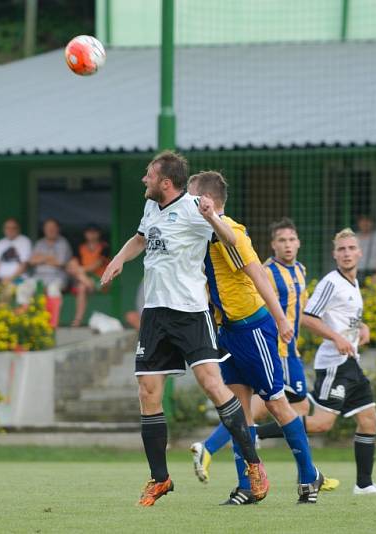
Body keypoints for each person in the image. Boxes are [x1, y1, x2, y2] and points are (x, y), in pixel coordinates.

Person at [100, 151, 268, 507]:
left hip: (190, 312)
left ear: (165, 182)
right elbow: (141, 239)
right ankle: (159, 479)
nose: (144, 179)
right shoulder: (151, 207)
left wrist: (212, 217)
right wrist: (117, 258)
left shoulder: (195, 206)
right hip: (155, 314)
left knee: (212, 384)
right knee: (147, 391)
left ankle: (254, 464)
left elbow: (232, 241)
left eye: (149, 175)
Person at [185, 172, 324, 505]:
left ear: (207, 201)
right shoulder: (203, 234)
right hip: (228, 332)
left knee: (277, 404)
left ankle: (308, 477)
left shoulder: (231, 231)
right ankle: (248, 486)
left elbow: (258, 275)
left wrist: (280, 320)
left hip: (254, 329)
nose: (186, 205)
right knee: (237, 412)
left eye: (191, 198)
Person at [301, 228, 376, 496]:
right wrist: (336, 339)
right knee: (321, 424)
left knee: (369, 419)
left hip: (350, 362)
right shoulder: (331, 282)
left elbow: (342, 317)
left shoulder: (353, 282)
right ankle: (256, 434)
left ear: (359, 253)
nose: (346, 253)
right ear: (334, 255)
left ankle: (364, 484)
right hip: (334, 363)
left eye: (351, 248)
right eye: (341, 249)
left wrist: (360, 328)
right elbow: (307, 317)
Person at [17, 218, 92, 326]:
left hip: (58, 277)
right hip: (38, 277)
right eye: (48, 228)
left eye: (53, 228)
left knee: (53, 290)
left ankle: (52, 323)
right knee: (23, 288)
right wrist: (48, 258)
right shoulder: (40, 243)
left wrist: (41, 258)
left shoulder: (63, 243)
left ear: (58, 229)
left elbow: (60, 262)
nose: (50, 230)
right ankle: (24, 321)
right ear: (44, 229)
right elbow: (32, 261)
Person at [0, 218, 32, 287]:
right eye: (7, 228)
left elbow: (24, 265)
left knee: (7, 292)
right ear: (3, 230)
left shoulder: (24, 241)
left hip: (18, 279)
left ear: (18, 229)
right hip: (0, 279)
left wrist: (9, 279)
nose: (10, 230)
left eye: (13, 228)